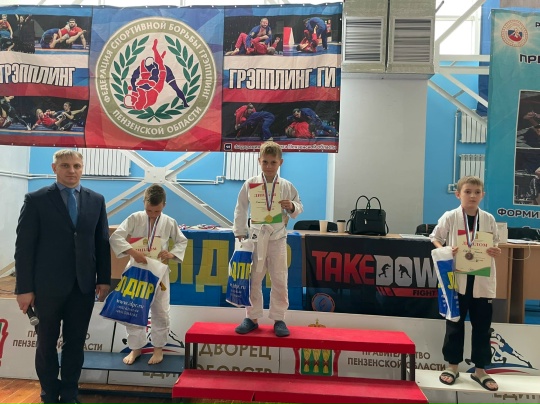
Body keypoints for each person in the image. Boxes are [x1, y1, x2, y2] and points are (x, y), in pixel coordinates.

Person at [14, 149, 111, 404]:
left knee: (75, 343)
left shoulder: (96, 200)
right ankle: (49, 393)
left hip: (83, 286)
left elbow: (102, 242)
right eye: (66, 165)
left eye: (77, 166)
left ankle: (69, 393)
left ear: (82, 168)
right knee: (46, 344)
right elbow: (24, 248)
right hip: (46, 287)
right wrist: (23, 288)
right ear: (54, 168)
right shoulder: (36, 200)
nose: (72, 170)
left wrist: (104, 279)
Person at [429, 175, 501, 392]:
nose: (472, 196)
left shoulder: (488, 219)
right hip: (457, 280)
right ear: (458, 194)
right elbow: (435, 237)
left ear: (482, 195)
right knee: (454, 324)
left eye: (477, 192)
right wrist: (445, 249)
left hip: (481, 280)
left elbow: (495, 243)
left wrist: (495, 250)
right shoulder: (450, 216)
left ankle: (480, 370)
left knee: (482, 327)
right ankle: (452, 367)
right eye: (468, 192)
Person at [109, 184, 187, 365]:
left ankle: (158, 349)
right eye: (149, 210)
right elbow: (116, 237)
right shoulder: (134, 218)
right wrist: (132, 252)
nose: (152, 214)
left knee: (161, 311)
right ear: (143, 202)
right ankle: (136, 348)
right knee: (134, 308)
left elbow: (181, 241)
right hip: (137, 269)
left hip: (159, 271)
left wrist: (171, 254)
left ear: (164, 205)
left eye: (157, 211)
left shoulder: (169, 222)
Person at [233, 141, 303, 337]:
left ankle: (279, 319)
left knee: (279, 278)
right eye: (265, 162)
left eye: (273, 162)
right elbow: (240, 207)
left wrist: (291, 206)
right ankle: (252, 317)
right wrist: (239, 231)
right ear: (259, 161)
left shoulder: (286, 185)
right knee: (254, 278)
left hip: (278, 237)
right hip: (256, 237)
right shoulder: (251, 183)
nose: (269, 166)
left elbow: (299, 205)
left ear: (280, 162)